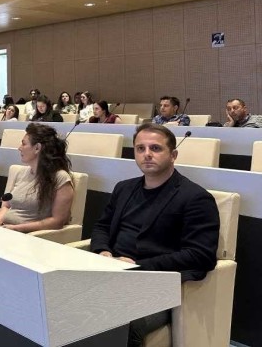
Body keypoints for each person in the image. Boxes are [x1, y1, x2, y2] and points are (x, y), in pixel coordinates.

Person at [90, 123, 220, 346]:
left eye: (155, 148)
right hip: (112, 272)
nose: (147, 154)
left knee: (117, 321)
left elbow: (201, 255)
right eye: (140, 148)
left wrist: (137, 266)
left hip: (157, 284)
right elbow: (102, 226)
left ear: (173, 155)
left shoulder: (195, 198)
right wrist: (103, 252)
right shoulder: (123, 188)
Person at [0, 123, 75, 232]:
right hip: (6, 230)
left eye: (23, 144)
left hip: (29, 236)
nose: (19, 148)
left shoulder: (60, 178)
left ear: (37, 148)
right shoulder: (20, 172)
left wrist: (16, 228)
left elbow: (57, 221)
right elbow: (6, 206)